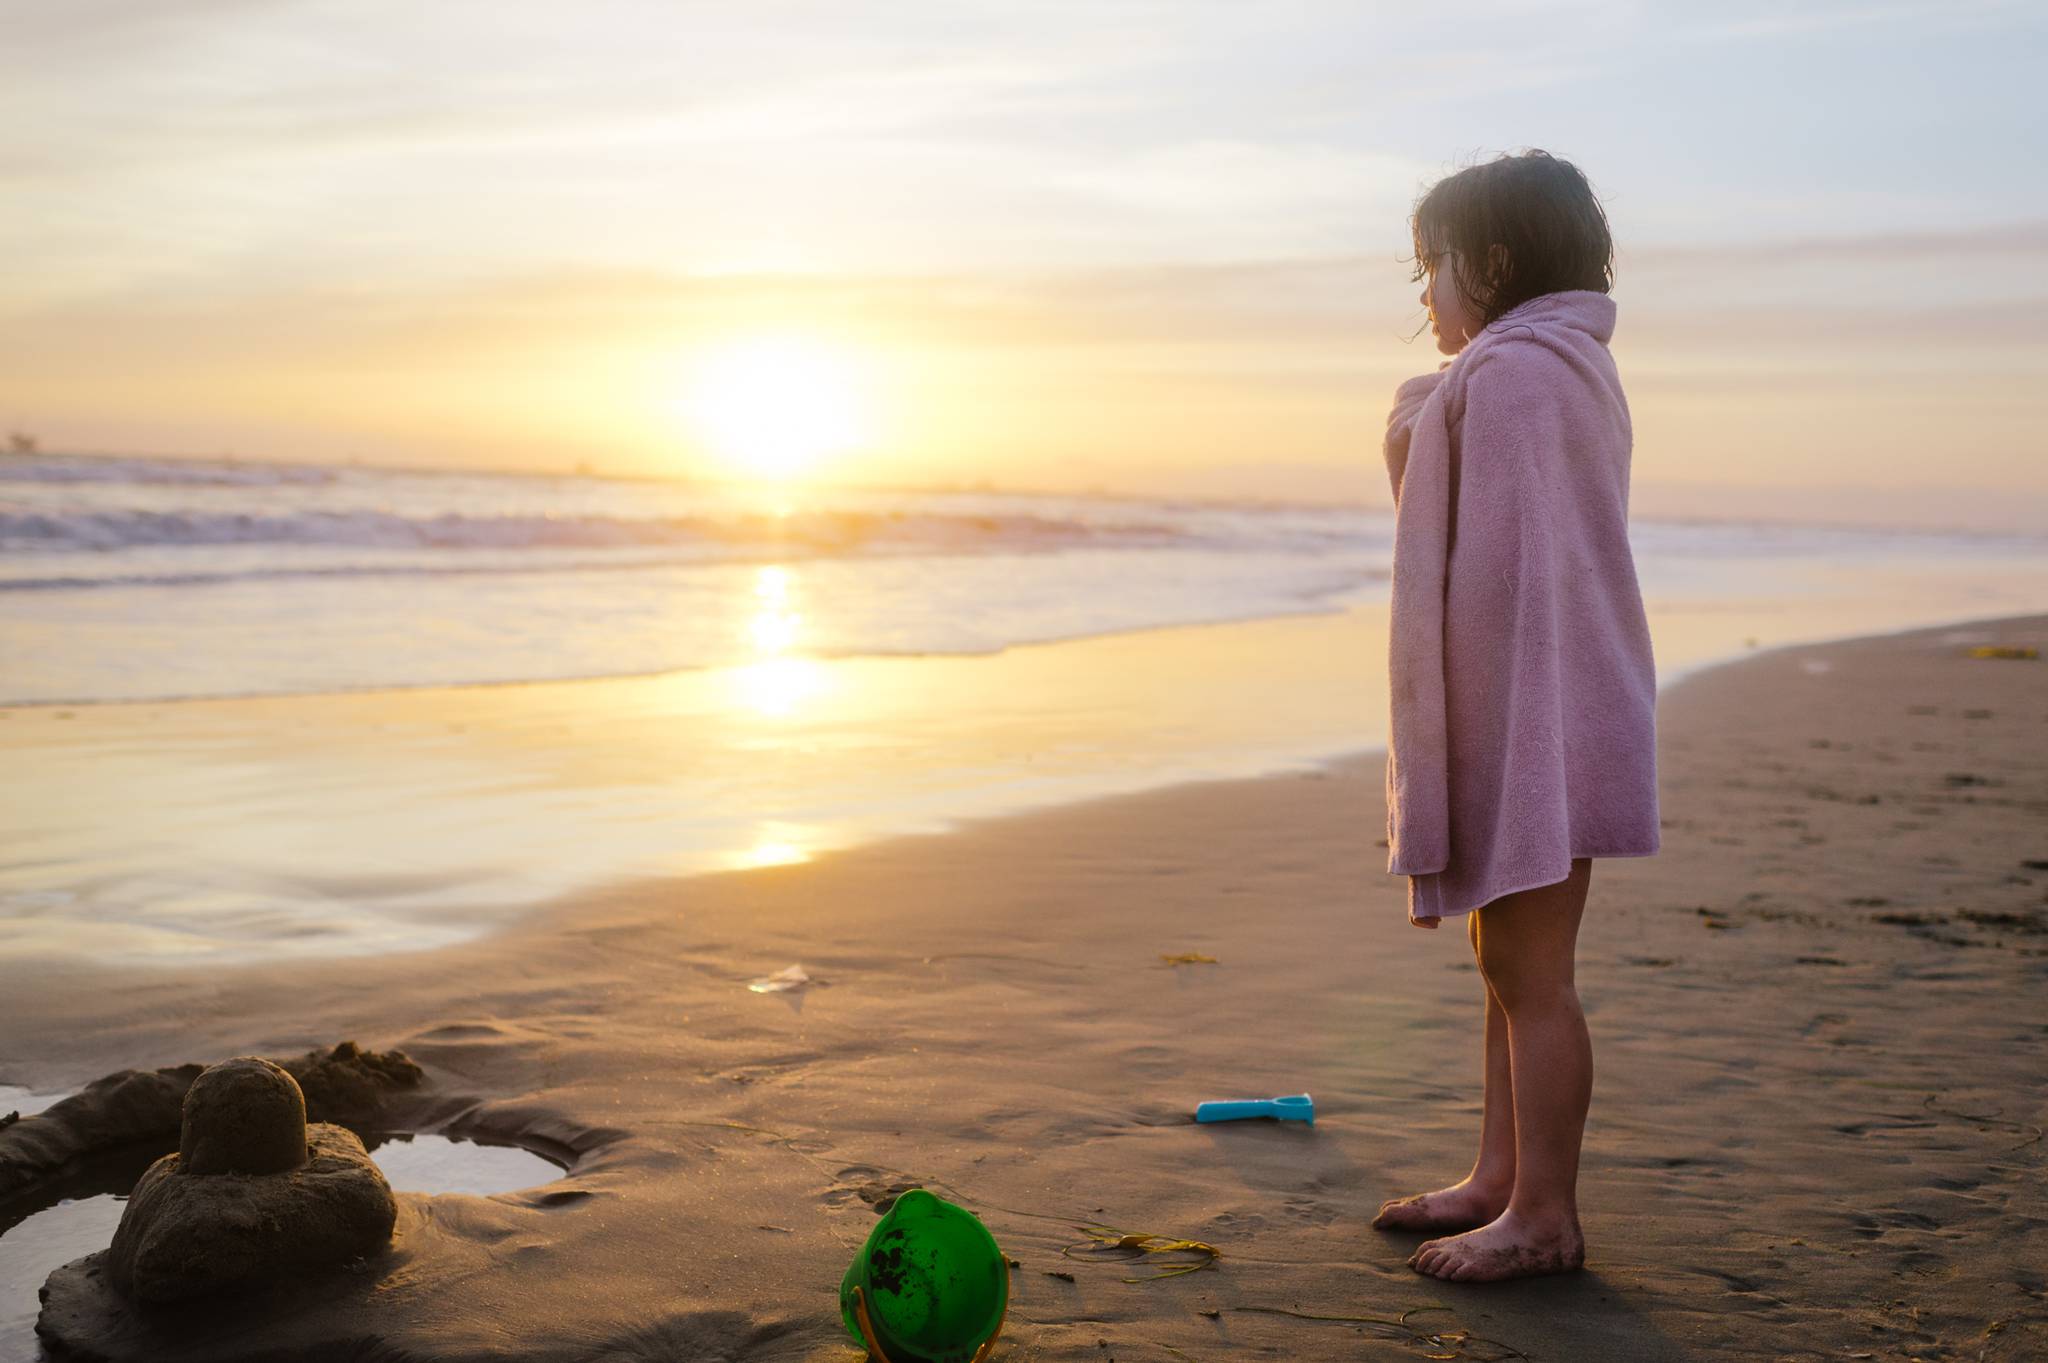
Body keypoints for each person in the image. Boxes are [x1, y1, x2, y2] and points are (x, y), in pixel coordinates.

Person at [1371, 150, 1661, 1283]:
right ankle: (1499, 1176)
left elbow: (1491, 567)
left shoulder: (1513, 379)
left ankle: (1543, 1214)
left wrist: (1416, 429)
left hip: (1533, 714)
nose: (1424, 301)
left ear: (1489, 264)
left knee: (1533, 976)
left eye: (1427, 273)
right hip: (1555, 706)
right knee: (1507, 964)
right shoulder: (1557, 369)